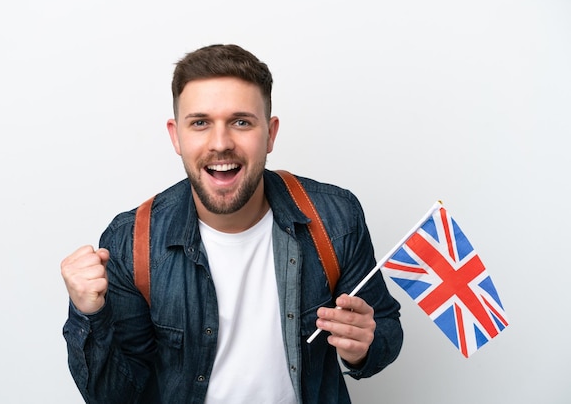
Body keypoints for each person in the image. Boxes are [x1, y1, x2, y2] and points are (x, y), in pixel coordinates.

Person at [61, 44, 403, 404]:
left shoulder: (335, 218)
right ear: (176, 136)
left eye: (241, 122)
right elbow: (114, 397)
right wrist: (88, 314)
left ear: (270, 134)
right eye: (200, 123)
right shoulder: (132, 241)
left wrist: (363, 347)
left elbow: (385, 331)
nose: (221, 143)